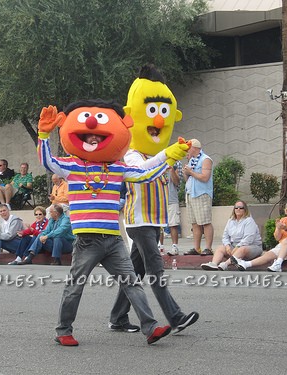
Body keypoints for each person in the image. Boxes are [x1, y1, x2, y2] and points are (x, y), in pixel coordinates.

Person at [37, 99, 185, 346]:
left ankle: (150, 328)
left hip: (113, 240)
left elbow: (146, 174)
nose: (93, 138)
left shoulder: (117, 167)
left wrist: (168, 157)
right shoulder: (72, 165)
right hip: (87, 241)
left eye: (98, 137)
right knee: (75, 287)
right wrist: (43, 134)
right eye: (89, 136)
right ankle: (63, 330)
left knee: (132, 284)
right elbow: (47, 161)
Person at [111, 65, 198, 337]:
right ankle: (175, 316)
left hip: (154, 221)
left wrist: (172, 156)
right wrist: (168, 156)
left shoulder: (158, 155)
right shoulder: (132, 154)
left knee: (134, 274)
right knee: (155, 270)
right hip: (139, 221)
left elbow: (162, 172)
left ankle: (117, 317)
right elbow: (145, 172)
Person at [231, 201, 287, 272]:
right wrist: (278, 228)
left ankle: (278, 264)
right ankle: (246, 264)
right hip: (286, 246)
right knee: (269, 254)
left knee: (286, 241)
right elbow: (277, 238)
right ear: (286, 211)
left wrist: (286, 228)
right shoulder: (283, 220)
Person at [201, 200, 262, 271]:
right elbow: (225, 236)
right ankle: (214, 264)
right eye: (236, 208)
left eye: (241, 208)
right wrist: (227, 246)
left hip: (251, 247)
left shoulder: (249, 221)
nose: (238, 209)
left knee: (242, 249)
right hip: (234, 246)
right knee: (220, 248)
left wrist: (237, 247)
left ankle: (225, 264)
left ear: (245, 209)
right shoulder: (231, 221)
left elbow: (248, 239)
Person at [183, 139, 214, 256]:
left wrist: (191, 172)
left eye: (188, 148)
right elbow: (188, 179)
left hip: (201, 194)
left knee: (205, 222)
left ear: (194, 148)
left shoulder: (205, 159)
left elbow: (205, 177)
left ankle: (208, 248)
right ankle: (196, 248)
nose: (186, 150)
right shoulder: (192, 160)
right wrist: (186, 173)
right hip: (190, 193)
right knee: (194, 223)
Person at [165, 161, 183, 256]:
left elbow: (177, 182)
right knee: (158, 226)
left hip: (172, 199)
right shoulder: (156, 162)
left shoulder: (176, 163)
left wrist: (171, 169)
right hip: (159, 199)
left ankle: (175, 246)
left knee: (173, 224)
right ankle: (160, 247)